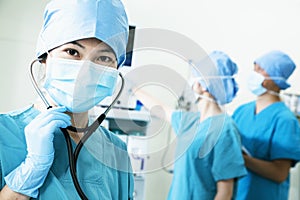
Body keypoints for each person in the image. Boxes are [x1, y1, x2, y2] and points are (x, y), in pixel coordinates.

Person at [0, 0, 134, 199]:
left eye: (104, 58)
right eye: (72, 52)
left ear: (116, 72)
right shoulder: (4, 134)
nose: (84, 73)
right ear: (45, 57)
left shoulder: (118, 152)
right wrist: (31, 169)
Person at [133, 51, 247, 200]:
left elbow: (225, 193)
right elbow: (160, 109)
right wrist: (132, 88)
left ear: (203, 85)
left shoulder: (225, 130)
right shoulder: (190, 121)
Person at [232, 50, 300, 200]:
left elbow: (279, 174)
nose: (254, 73)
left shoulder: (285, 120)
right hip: (237, 194)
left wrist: (243, 159)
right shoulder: (241, 111)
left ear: (276, 78)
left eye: (260, 69)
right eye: (254, 68)